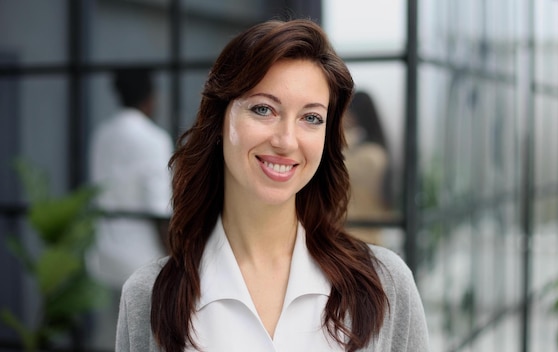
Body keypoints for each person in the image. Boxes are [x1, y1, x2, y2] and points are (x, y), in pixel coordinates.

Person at [116, 19, 429, 352]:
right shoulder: (150, 295)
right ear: (219, 120)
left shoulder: (384, 285)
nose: (286, 140)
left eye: (311, 118)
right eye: (263, 109)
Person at [87, 67, 173, 291]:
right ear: (150, 96)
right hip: (142, 261)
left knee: (110, 326)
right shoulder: (154, 139)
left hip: (103, 258)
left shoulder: (102, 135)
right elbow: (159, 208)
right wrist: (176, 260)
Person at [343, 91, 396, 245]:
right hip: (357, 237)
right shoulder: (368, 151)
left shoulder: (372, 156)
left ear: (355, 116)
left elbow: (334, 167)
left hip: (361, 239)